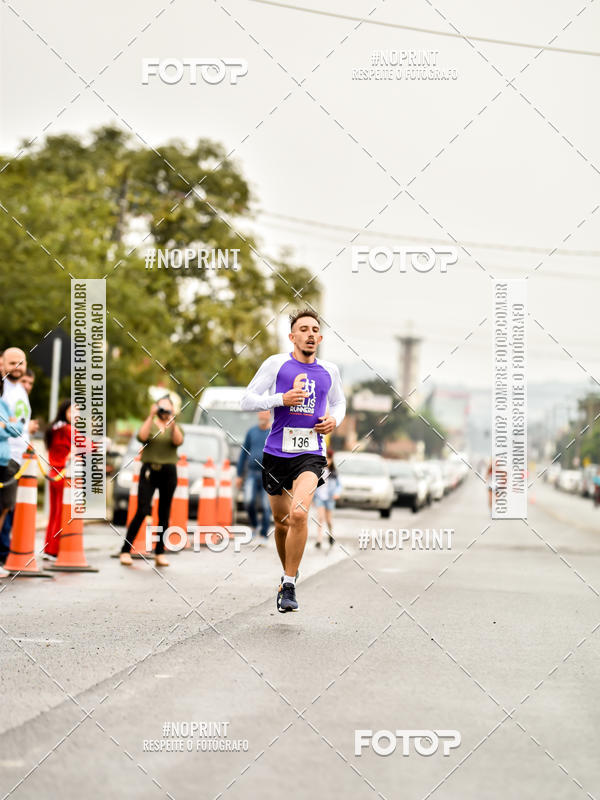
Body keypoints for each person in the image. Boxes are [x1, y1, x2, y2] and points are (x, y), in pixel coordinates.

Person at [241, 308, 346, 613]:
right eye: (304, 329)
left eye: (315, 329)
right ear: (292, 336)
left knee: (299, 515)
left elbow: (339, 402)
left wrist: (334, 421)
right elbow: (246, 400)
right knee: (281, 522)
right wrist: (280, 399)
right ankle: (289, 568)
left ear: (320, 337)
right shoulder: (276, 365)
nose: (310, 334)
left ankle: (288, 584)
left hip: (311, 454)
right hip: (275, 453)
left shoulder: (330, 371)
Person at [120, 396, 183, 567]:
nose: (164, 411)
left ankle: (160, 552)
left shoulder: (175, 427)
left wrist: (172, 422)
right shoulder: (151, 424)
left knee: (164, 513)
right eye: (161, 408)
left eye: (167, 408)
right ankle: (126, 549)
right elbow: (141, 436)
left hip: (169, 471)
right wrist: (150, 416)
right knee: (142, 509)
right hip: (149, 471)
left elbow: (178, 441)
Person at [0, 348, 38, 564]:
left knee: (6, 507)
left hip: (17, 456)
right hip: (5, 454)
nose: (17, 367)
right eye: (12, 362)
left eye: (20, 363)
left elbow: (18, 423)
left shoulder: (20, 390)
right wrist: (11, 426)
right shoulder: (2, 388)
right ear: (2, 364)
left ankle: (2, 556)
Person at [42, 400, 72, 562]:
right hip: (63, 474)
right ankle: (54, 550)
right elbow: (85, 445)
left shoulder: (54, 428)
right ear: (64, 412)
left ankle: (49, 548)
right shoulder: (68, 429)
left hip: (53, 473)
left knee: (54, 513)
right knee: (60, 513)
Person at [236, 411, 272, 544]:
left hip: (267, 475)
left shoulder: (273, 432)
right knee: (248, 501)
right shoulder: (251, 432)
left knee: (265, 506)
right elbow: (243, 454)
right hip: (251, 473)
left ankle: (264, 535)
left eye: (265, 414)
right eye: (261, 414)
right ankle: (255, 525)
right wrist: (239, 475)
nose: (263, 417)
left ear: (269, 415)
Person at [0, 382, 24, 577]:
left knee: (4, 508)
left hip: (5, 462)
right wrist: (8, 425)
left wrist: (6, 425)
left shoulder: (4, 404)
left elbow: (18, 429)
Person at [314, 449, 340, 548]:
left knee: (328, 520)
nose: (327, 461)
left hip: (329, 498)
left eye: (329, 458)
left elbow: (339, 485)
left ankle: (330, 534)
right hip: (319, 497)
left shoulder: (334, 472)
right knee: (320, 518)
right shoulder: (318, 470)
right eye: (325, 458)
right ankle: (319, 539)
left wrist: (337, 493)